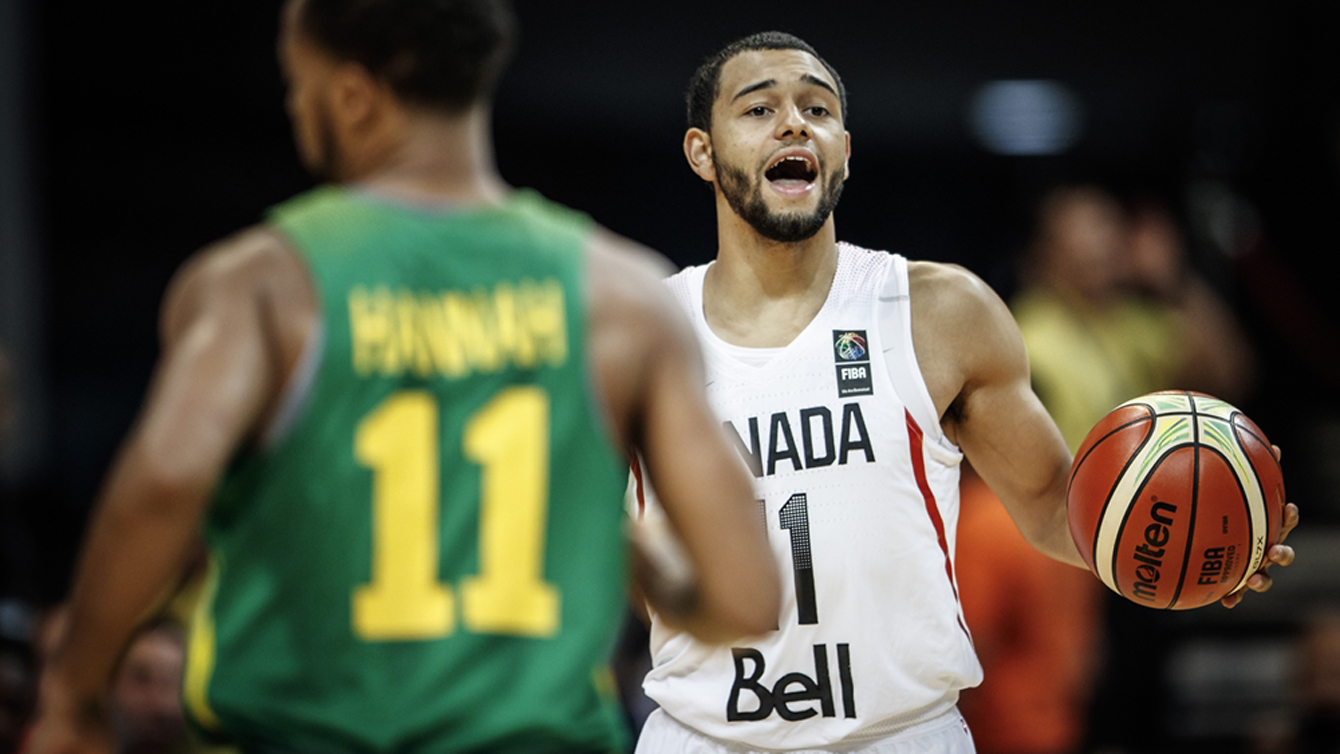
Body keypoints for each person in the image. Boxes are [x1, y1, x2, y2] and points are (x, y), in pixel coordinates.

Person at [24, 2, 780, 752]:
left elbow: (164, 480)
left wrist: (75, 694)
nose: (293, 105)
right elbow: (745, 595)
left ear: (352, 96)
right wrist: (630, 559)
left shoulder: (260, 286)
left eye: (297, 83)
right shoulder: (623, 295)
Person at [628, 31, 1299, 754]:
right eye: (759, 110)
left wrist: (1184, 547)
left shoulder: (940, 312)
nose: (794, 122)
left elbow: (1050, 504)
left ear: (844, 150)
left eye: (816, 108)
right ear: (702, 151)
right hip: (705, 734)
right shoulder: (639, 331)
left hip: (902, 736)